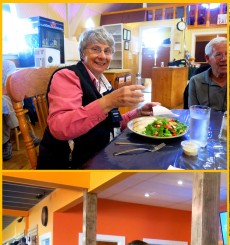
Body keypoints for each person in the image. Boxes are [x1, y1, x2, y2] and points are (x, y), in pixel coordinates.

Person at [37, 27, 157, 169]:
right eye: (95, 49)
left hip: (103, 156)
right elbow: (60, 127)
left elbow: (112, 124)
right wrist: (110, 101)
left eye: (107, 51)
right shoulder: (67, 76)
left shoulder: (103, 82)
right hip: (70, 167)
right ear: (82, 53)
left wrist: (137, 113)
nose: (102, 56)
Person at [188, 36, 227, 111]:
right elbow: (193, 112)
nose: (224, 58)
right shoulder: (195, 82)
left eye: (227, 54)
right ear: (207, 58)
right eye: (218, 54)